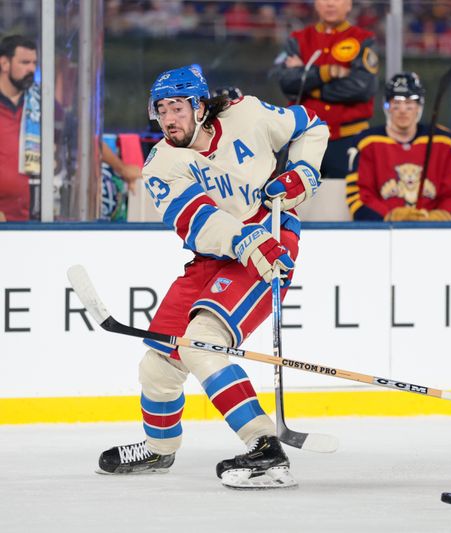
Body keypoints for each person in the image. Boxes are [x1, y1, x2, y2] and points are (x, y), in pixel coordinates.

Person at [96, 65, 328, 490]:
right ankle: (160, 449)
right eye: (162, 109)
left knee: (204, 344)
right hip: (217, 254)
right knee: (158, 366)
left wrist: (305, 173)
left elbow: (312, 125)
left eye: (178, 107)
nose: (169, 119)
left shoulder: (248, 114)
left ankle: (265, 450)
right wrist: (244, 240)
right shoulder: (161, 163)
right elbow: (197, 221)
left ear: (200, 106)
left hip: (270, 245)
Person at [274, 0, 378, 219]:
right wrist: (327, 72)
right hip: (305, 138)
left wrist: (309, 80)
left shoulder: (364, 40)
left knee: (348, 206)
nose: (331, 4)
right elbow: (285, 81)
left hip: (348, 139)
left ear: (349, 5)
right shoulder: (297, 40)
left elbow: (362, 88)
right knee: (296, 203)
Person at [345, 72, 451, 221]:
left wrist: (440, 217)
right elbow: (359, 196)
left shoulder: (442, 141)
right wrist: (391, 217)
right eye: (396, 103)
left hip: (434, 234)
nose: (402, 109)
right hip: (384, 236)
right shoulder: (366, 142)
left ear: (419, 107)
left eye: (409, 103)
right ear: (387, 107)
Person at [0, 34, 38, 222]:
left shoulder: (41, 104)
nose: (31, 69)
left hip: (31, 219)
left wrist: (121, 167)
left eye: (34, 63)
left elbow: (81, 139)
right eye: (24, 62)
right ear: (5, 64)